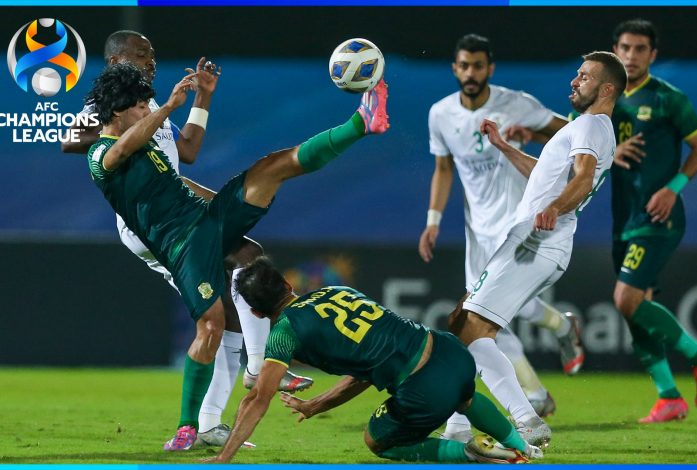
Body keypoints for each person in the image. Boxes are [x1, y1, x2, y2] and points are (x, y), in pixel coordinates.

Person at [84, 60, 389, 450]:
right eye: (140, 107)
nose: (147, 112)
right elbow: (121, 149)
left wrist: (231, 198)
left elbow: (178, 179)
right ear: (117, 112)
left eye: (148, 106)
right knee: (211, 326)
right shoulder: (100, 154)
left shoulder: (147, 143)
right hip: (181, 245)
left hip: (205, 219)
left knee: (270, 171)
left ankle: (361, 123)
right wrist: (169, 107)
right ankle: (187, 426)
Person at [63, 30, 312, 448]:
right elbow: (73, 140)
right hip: (153, 226)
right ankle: (252, 370)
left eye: (153, 54)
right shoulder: (109, 104)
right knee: (221, 305)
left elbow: (187, 152)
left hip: (179, 209)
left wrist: (202, 99)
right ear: (116, 62)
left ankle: (211, 419)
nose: (151, 61)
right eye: (141, 54)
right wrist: (142, 119)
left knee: (233, 300)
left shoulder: (148, 107)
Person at [206, 256, 544, 463]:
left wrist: (224, 457)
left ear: (255, 312)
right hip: (449, 350)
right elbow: (367, 367)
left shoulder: (284, 333)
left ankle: (470, 454)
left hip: (423, 386)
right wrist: (316, 405)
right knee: (465, 398)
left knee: (377, 439)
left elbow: (257, 399)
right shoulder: (337, 291)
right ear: (285, 282)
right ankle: (522, 449)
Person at [450, 51, 626, 447]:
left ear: (606, 89)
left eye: (584, 76)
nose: (575, 81)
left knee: (472, 328)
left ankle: (527, 421)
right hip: (538, 241)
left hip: (537, 240)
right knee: (462, 321)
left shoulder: (591, 125)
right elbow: (546, 176)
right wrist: (503, 146)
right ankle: (458, 427)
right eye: (577, 74)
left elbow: (581, 179)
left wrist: (554, 208)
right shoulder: (587, 127)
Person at [419, 33, 582, 436]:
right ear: (455, 69)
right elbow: (443, 169)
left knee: (483, 317)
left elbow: (570, 135)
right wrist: (433, 220)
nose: (471, 73)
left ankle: (484, 416)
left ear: (489, 68)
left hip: (518, 224)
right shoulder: (440, 114)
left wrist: (535, 135)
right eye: (464, 66)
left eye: (478, 66)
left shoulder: (516, 104)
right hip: (478, 232)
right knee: (484, 321)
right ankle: (537, 388)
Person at [609, 19, 697, 423]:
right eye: (625, 47)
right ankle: (669, 396)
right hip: (624, 218)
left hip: (659, 217)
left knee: (625, 299)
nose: (632, 55)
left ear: (652, 55)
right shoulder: (603, 97)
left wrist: (673, 187)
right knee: (636, 307)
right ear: (615, 50)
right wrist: (609, 152)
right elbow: (569, 136)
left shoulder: (668, 99)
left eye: (640, 49)